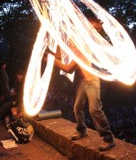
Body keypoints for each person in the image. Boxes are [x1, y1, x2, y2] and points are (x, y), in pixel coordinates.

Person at [46, 17, 115, 151]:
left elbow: (68, 68)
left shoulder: (82, 50)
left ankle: (108, 138)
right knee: (77, 107)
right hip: (83, 82)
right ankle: (82, 130)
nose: (69, 43)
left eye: (70, 42)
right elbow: (60, 57)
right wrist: (53, 50)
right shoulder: (75, 49)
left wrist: (49, 59)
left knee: (94, 110)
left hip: (92, 81)